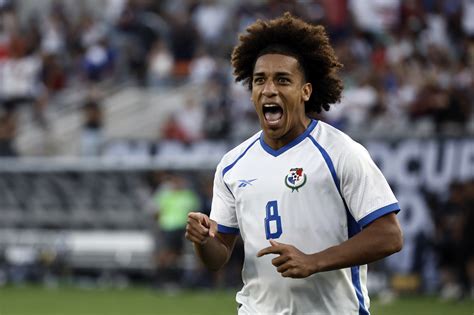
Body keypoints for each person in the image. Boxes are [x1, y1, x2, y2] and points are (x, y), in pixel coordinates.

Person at [185, 13, 403, 314]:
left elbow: (389, 235)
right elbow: (218, 256)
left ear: (306, 91)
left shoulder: (341, 152)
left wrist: (313, 261)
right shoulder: (232, 164)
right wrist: (202, 241)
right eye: (260, 80)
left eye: (283, 80)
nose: (269, 89)